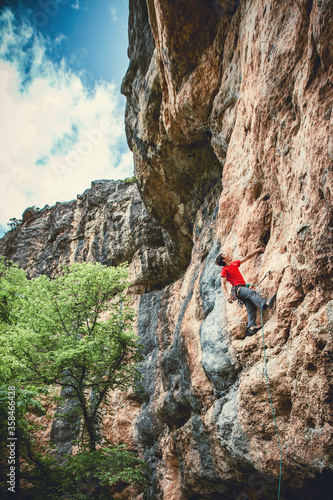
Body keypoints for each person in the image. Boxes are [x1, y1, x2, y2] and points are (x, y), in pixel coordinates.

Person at [215, 248, 276, 337]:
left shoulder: (234, 264)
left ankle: (251, 327)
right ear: (224, 259)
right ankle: (265, 304)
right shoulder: (224, 270)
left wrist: (257, 250)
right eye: (224, 255)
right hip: (237, 289)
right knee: (251, 292)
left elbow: (247, 257)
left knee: (251, 307)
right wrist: (227, 296)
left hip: (241, 288)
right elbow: (223, 284)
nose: (227, 254)